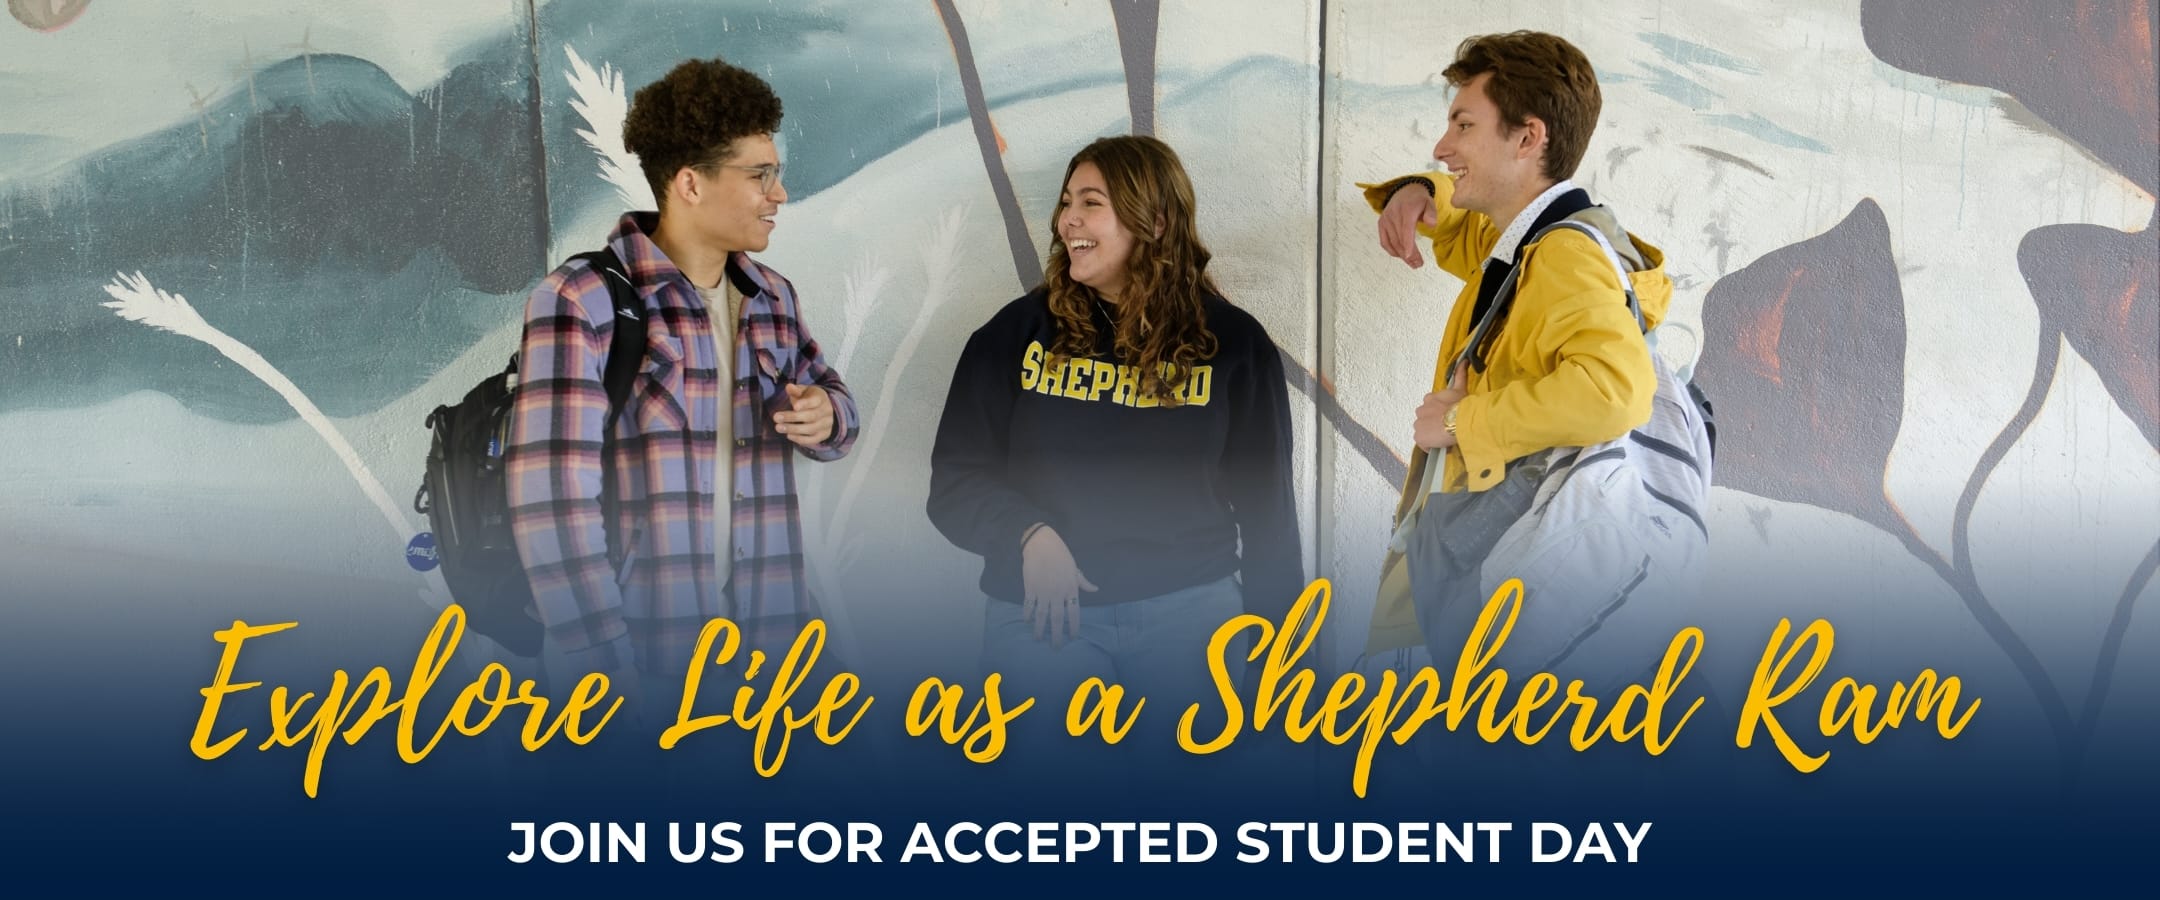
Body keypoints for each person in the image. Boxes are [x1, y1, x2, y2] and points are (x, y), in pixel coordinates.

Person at [926, 135, 1302, 752]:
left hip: (1194, 618)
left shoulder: (1232, 345)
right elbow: (955, 482)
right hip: (1044, 622)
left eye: (1090, 202)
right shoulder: (1014, 336)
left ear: (1153, 221)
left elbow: (1268, 514)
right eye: (1067, 201)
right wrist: (1027, 534)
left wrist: (1282, 657)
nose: (1067, 218)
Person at [506, 57, 858, 710]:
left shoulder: (770, 296)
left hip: (775, 660)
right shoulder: (581, 301)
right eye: (760, 176)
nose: (778, 194)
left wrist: (826, 414)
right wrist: (604, 681)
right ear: (690, 184)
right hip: (650, 667)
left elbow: (836, 412)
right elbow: (551, 503)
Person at [1358, 31, 1695, 673]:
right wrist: (1425, 193)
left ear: (1527, 137)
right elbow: (1470, 241)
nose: (1442, 145)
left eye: (1463, 124)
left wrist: (1459, 423)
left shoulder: (1562, 256)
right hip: (1508, 559)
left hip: (1510, 567)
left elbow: (1614, 390)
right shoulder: (1529, 247)